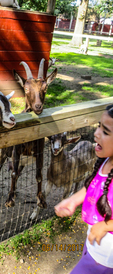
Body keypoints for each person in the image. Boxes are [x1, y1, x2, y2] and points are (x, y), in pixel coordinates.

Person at [54, 104, 113, 274]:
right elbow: (92, 186)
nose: (96, 134)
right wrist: (73, 200)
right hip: (94, 249)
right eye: (98, 127)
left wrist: (104, 226)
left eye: (105, 132)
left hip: (105, 261)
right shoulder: (105, 162)